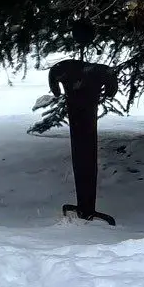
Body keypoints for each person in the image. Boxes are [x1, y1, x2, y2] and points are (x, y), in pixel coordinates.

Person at [47, 58, 120, 225]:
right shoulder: (100, 71)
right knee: (84, 152)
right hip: (84, 111)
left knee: (82, 152)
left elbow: (55, 87)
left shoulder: (63, 68)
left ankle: (86, 206)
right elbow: (111, 90)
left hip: (80, 111)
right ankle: (85, 206)